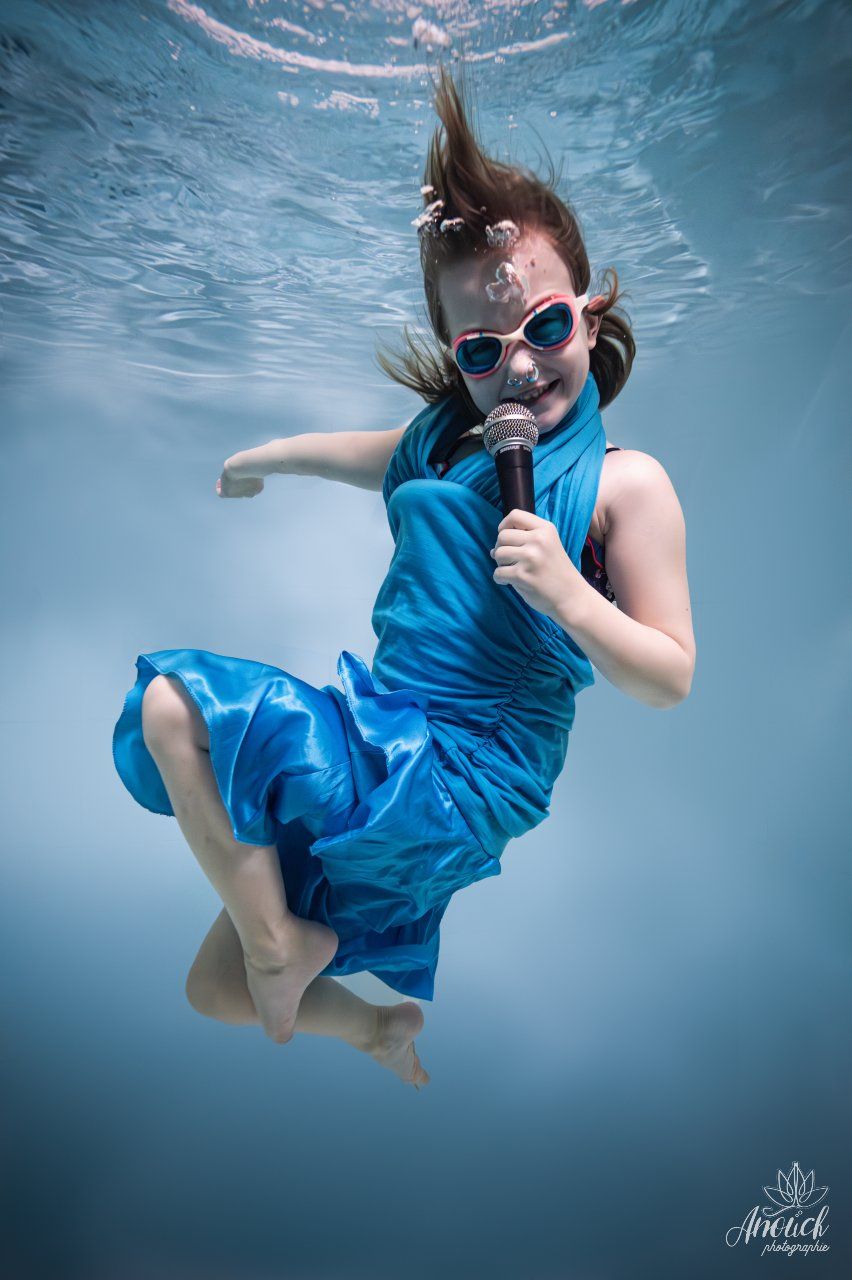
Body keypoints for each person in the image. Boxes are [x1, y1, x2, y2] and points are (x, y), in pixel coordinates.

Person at [112, 65, 695, 1090]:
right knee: (213, 987)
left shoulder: (627, 485)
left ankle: (285, 946)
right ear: (455, 357)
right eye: (483, 349)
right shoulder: (449, 441)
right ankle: (369, 1023)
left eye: (546, 328)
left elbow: (670, 675)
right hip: (386, 728)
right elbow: (358, 454)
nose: (520, 368)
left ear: (591, 316)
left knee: (171, 708)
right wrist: (262, 458)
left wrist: (570, 594)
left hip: (468, 768)